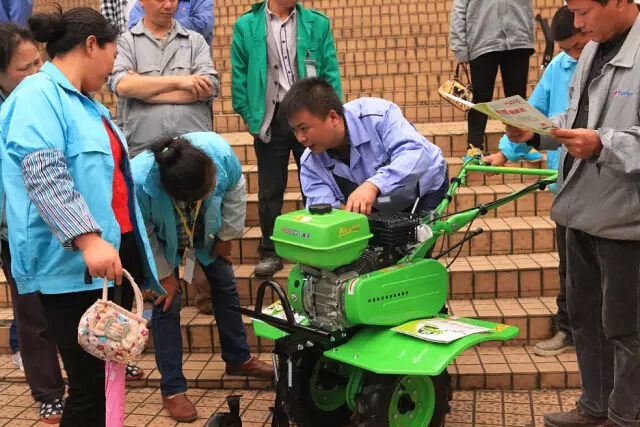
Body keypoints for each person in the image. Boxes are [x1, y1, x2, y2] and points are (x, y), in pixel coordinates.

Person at [0, 7, 164, 427]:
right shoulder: (38, 96)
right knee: (89, 391)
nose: (113, 67)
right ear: (91, 45)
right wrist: (88, 240)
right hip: (72, 271)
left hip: (106, 265)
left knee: (104, 385)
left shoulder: (85, 103)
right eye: (113, 54)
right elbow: (42, 171)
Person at [505, 0, 640, 425]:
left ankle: (626, 416)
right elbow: (577, 115)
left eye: (583, 12)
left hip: (625, 220)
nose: (577, 24)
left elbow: (604, 134)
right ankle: (594, 407)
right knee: (585, 319)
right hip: (577, 209)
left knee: (627, 328)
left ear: (619, 2)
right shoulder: (593, 50)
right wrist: (537, 132)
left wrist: (603, 144)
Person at [131, 132, 274, 422]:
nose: (213, 191)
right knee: (166, 302)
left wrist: (227, 235)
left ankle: (238, 358)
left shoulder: (216, 151)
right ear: (179, 195)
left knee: (225, 283)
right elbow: (144, 233)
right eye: (207, 191)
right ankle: (173, 388)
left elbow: (234, 186)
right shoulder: (139, 182)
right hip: (162, 237)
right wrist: (164, 275)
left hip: (205, 228)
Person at [482, 6, 590, 358]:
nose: (574, 54)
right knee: (568, 265)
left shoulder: (606, 62)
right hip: (567, 180)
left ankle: (600, 338)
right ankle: (568, 330)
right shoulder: (560, 67)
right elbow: (533, 113)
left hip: (603, 181)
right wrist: (506, 151)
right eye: (567, 49)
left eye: (578, 46)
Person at [231, 0, 342, 277]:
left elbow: (330, 70)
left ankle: (318, 247)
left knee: (317, 183)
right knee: (270, 189)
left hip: (311, 114)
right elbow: (239, 74)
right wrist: (248, 115)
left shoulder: (317, 23)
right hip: (271, 116)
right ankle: (270, 252)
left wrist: (332, 112)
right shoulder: (246, 25)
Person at [0, 22, 68, 424]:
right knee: (31, 312)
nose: (35, 73)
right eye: (24, 68)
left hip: (61, 221)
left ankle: (95, 368)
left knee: (73, 303)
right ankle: (48, 391)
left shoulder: (49, 95)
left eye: (38, 62)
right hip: (13, 229)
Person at [278, 77, 448, 216]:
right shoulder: (310, 162)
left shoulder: (378, 116)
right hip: (382, 203)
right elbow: (323, 214)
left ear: (333, 117)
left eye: (304, 128)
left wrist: (373, 185)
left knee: (418, 246)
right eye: (294, 130)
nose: (300, 138)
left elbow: (416, 155)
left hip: (425, 186)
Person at [108, 0, 219, 157]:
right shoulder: (126, 43)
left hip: (193, 149)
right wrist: (181, 82)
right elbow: (123, 85)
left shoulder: (195, 41)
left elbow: (207, 87)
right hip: (142, 151)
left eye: (173, 0)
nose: (168, 5)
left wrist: (146, 94)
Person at [449, 0, 537, 160]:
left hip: (518, 42)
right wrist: (459, 46)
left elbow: (528, 8)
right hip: (482, 42)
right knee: (480, 97)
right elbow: (459, 10)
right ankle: (474, 146)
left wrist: (529, 38)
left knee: (517, 97)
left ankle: (522, 144)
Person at [129, 0, 213, 47]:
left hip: (191, 66)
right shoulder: (146, 2)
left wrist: (163, 28)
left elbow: (203, 24)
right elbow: (135, 28)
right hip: (149, 66)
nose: (167, 5)